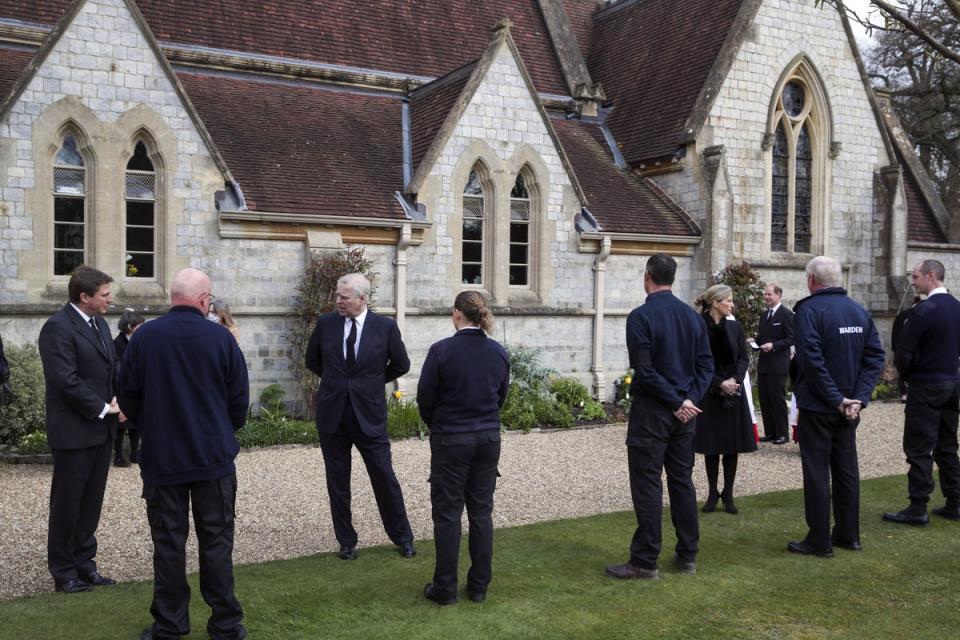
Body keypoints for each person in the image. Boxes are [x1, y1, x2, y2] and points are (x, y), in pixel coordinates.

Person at [117, 268, 249, 640]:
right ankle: (225, 624)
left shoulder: (144, 339)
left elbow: (128, 395)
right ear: (205, 299)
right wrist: (219, 431)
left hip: (163, 459)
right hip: (212, 459)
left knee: (168, 545)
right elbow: (239, 401)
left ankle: (171, 625)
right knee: (217, 541)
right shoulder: (221, 340)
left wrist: (154, 428)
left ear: (172, 297)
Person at [606, 254, 713, 580]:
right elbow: (706, 367)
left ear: (647, 276)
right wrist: (688, 400)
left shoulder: (641, 317)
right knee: (681, 481)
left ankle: (645, 560)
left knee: (649, 483)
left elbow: (645, 370)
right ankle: (687, 554)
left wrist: (680, 401)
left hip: (655, 411)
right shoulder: (692, 318)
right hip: (683, 413)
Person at [304, 272, 416, 560]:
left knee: (383, 476)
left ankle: (403, 537)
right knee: (338, 482)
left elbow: (401, 364)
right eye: (337, 296)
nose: (338, 301)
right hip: (333, 414)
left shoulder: (384, 327)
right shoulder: (327, 323)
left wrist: (371, 382)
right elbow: (312, 360)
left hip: (368, 414)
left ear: (362, 299)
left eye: (344, 297)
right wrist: (337, 384)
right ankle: (346, 541)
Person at [417, 291, 510, 605]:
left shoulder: (442, 351)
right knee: (481, 513)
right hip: (486, 439)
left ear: (457, 313)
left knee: (448, 514)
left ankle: (445, 589)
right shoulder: (498, 352)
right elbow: (500, 397)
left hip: (451, 440)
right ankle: (479, 586)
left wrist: (441, 426)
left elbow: (425, 400)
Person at [788, 256, 884, 558]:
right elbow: (875, 358)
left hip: (821, 406)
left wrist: (843, 398)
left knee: (818, 472)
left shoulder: (809, 311)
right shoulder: (858, 310)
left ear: (812, 280)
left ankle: (820, 540)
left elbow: (811, 362)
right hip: (846, 406)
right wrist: (857, 398)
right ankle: (848, 534)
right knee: (846, 469)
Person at [38, 266, 121, 593]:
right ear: (84, 296)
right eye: (104, 294)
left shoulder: (100, 323)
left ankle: (85, 565)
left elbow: (110, 368)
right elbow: (65, 381)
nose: (110, 299)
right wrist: (102, 408)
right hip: (73, 432)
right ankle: (64, 572)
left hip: (101, 431)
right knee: (67, 504)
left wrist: (119, 401)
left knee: (90, 504)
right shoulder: (57, 328)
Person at [883, 260, 960, 525]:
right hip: (951, 382)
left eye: (916, 276)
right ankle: (955, 501)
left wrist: (910, 375)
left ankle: (918, 507)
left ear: (931, 276)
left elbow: (903, 353)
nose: (913, 282)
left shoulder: (924, 311)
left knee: (918, 446)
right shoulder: (957, 306)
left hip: (927, 383)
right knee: (947, 443)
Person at [694, 285, 757, 515]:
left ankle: (728, 494)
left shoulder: (735, 326)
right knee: (712, 446)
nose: (732, 304)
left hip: (733, 391)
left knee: (732, 446)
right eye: (728, 301)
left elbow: (742, 357)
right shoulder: (699, 327)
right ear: (716, 303)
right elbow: (698, 362)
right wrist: (719, 383)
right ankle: (712, 493)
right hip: (710, 391)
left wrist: (733, 381)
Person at [756, 284, 794, 444]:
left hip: (778, 364)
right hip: (764, 363)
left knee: (777, 399)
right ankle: (770, 432)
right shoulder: (764, 315)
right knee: (765, 399)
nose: (766, 297)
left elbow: (791, 338)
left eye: (769, 294)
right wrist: (755, 341)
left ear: (779, 295)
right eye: (765, 294)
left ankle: (782, 434)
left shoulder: (787, 314)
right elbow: (763, 337)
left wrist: (774, 346)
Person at [113, 309, 144, 467]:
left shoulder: (139, 341)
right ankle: (118, 455)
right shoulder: (118, 343)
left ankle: (134, 453)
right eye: (139, 326)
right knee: (120, 426)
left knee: (135, 424)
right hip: (120, 388)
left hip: (135, 387)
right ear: (130, 326)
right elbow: (117, 369)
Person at [891, 295, 921, 402]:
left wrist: (894, 350)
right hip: (916, 349)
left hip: (900, 348)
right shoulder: (921, 315)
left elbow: (894, 334)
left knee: (901, 370)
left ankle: (904, 394)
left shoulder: (901, 315)